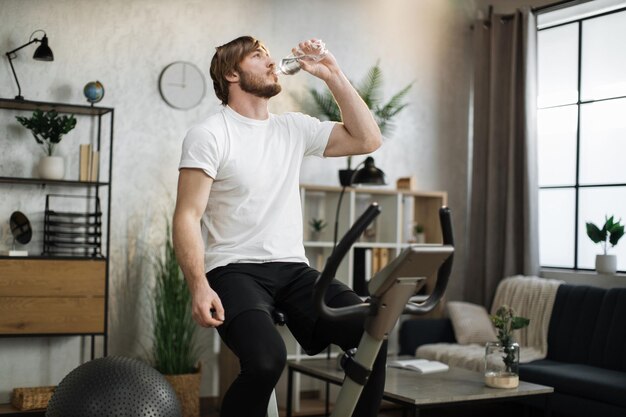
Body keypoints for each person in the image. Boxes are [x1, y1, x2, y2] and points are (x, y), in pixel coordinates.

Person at [172, 35, 385, 417]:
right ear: (231, 74)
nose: (272, 63)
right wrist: (198, 286)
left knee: (372, 332)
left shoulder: (294, 129)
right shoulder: (209, 134)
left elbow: (368, 139)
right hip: (233, 271)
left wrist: (332, 73)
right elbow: (187, 215)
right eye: (259, 56)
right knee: (268, 360)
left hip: (292, 269)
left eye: (270, 56)